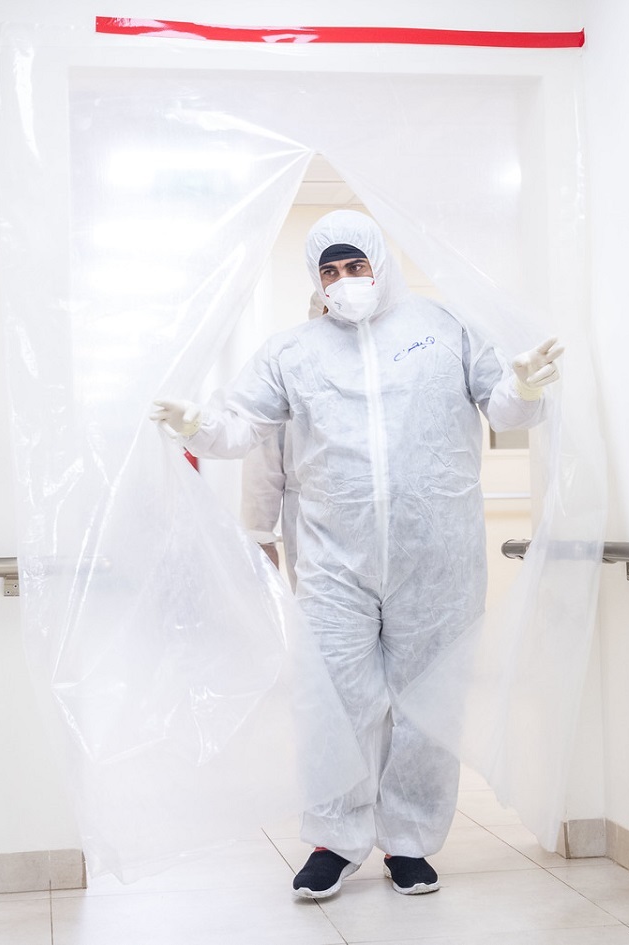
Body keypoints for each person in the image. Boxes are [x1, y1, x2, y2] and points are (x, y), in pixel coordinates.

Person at [151, 209, 563, 900]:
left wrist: (523, 388)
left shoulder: (443, 329)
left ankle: (408, 841)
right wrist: (199, 425)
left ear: (382, 262)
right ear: (317, 281)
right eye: (331, 271)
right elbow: (242, 429)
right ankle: (334, 839)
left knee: (429, 701)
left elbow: (508, 410)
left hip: (437, 555)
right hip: (332, 560)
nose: (345, 281)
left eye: (356, 265)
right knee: (334, 703)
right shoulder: (292, 352)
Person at [240, 291, 326, 584]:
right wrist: (260, 534)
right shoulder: (292, 368)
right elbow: (263, 457)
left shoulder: (390, 369)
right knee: (320, 622)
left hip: (390, 527)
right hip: (311, 524)